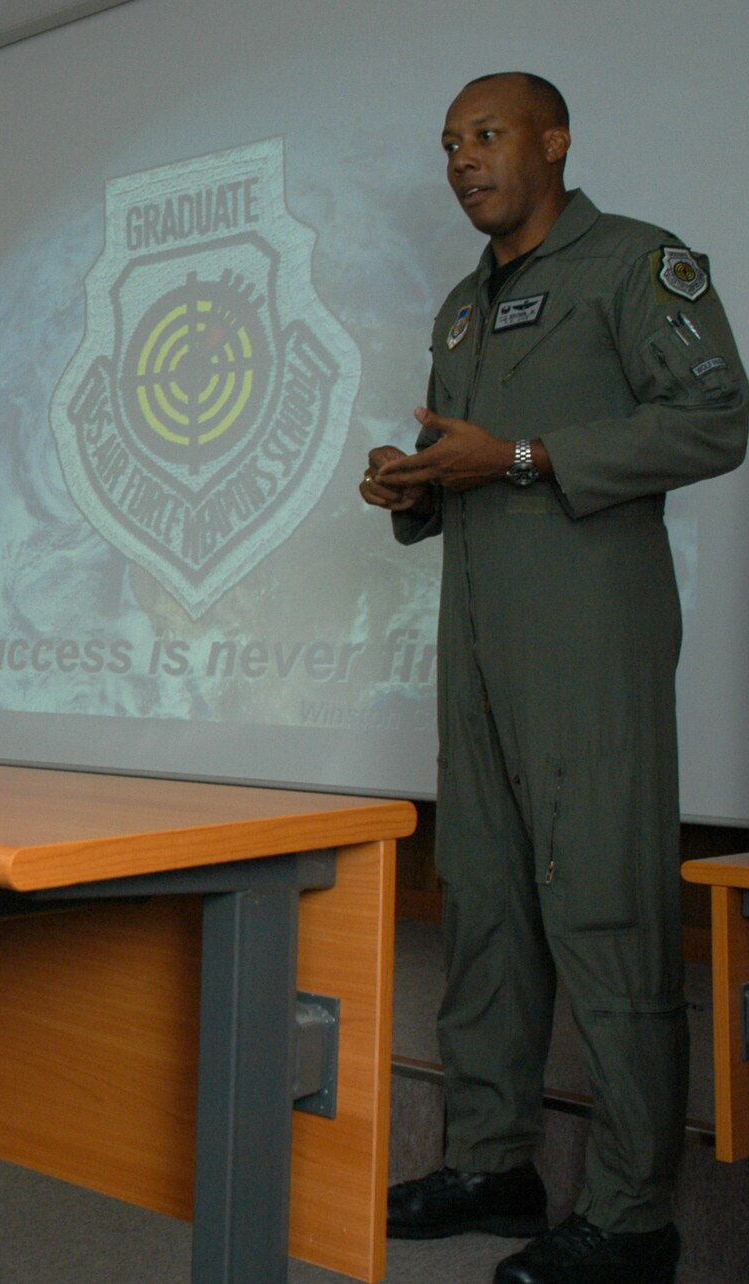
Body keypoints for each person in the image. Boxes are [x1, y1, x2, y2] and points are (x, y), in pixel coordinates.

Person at [361, 73, 746, 1283]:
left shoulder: (636, 266)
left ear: (553, 141)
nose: (460, 160)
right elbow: (469, 466)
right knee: (480, 903)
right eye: (446, 144)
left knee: (604, 911)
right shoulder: (461, 309)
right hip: (474, 640)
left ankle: (633, 1216)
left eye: (484, 136)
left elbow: (717, 419)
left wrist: (519, 454)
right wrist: (413, 484)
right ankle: (491, 1160)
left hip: (588, 644)